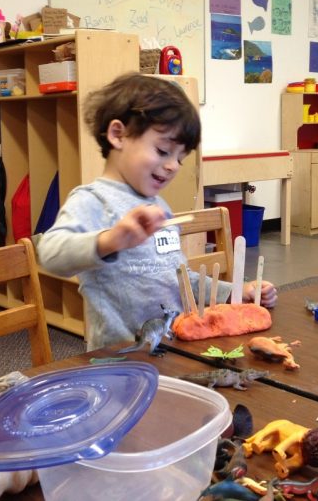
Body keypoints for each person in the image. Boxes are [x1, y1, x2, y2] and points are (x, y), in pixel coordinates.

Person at [37, 73, 277, 350]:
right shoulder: (92, 201)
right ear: (118, 135)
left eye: (180, 158)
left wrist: (235, 292)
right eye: (163, 151)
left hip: (173, 349)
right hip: (120, 360)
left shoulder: (159, 207)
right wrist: (109, 240)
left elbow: (179, 279)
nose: (173, 165)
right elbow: (50, 253)